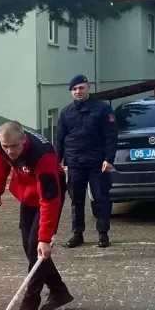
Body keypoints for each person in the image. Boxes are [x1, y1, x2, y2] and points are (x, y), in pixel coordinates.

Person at [0, 121, 73, 310]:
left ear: (24, 140)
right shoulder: (1, 143)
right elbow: (1, 164)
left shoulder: (43, 156)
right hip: (27, 195)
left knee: (37, 246)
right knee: (30, 249)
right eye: (6, 146)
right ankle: (59, 291)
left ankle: (30, 303)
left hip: (49, 194)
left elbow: (50, 201)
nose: (10, 151)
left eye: (14, 146)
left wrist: (45, 238)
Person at [55, 74, 117, 248]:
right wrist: (56, 161)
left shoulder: (103, 109)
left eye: (81, 88)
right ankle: (77, 234)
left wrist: (109, 159)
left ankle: (103, 233)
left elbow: (111, 136)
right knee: (76, 200)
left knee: (101, 198)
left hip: (97, 162)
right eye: (74, 89)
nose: (77, 92)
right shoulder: (66, 112)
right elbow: (59, 139)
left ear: (88, 88)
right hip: (74, 162)